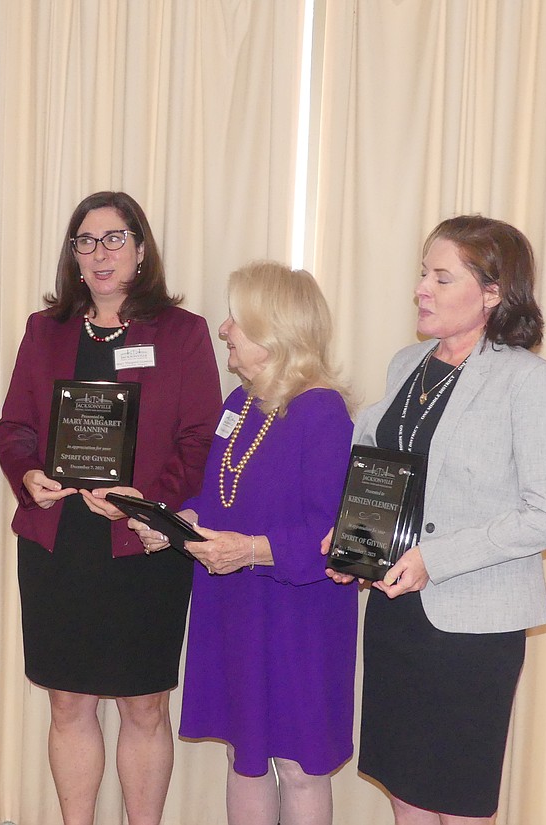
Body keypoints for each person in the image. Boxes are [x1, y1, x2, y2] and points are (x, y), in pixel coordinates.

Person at [325, 215, 546, 824]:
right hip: (396, 613)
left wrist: (433, 560)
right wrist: (355, 536)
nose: (422, 289)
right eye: (423, 274)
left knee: (458, 804)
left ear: (493, 293)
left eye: (443, 277)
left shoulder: (530, 381)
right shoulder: (406, 364)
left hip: (472, 627)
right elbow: (391, 473)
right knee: (406, 794)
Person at [0, 191, 222, 825]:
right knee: (67, 702)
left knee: (143, 705)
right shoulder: (46, 330)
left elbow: (200, 436)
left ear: (141, 248)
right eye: (86, 241)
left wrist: (148, 504)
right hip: (58, 541)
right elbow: (13, 426)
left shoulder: (182, 332)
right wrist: (29, 473)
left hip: (141, 547)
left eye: (114, 239)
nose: (100, 254)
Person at [130, 262, 358, 825]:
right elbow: (217, 499)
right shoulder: (239, 404)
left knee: (301, 767)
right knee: (244, 756)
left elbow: (331, 535)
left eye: (237, 318)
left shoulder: (322, 411)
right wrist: (174, 523)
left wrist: (250, 550)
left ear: (274, 328)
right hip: (233, 604)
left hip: (297, 613)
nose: (224, 328)